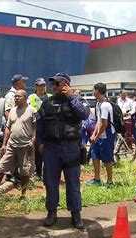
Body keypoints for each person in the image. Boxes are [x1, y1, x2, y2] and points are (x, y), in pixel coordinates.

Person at [37, 73, 90, 229]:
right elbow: (39, 124)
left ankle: (76, 214)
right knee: (51, 183)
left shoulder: (77, 100)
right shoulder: (47, 103)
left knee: (73, 183)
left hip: (71, 148)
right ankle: (51, 213)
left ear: (66, 85)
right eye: (53, 84)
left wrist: (72, 97)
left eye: (57, 84)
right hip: (51, 149)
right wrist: (39, 143)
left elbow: (84, 114)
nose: (54, 87)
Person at [0, 90, 37, 198]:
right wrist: (4, 144)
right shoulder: (12, 111)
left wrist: (32, 143)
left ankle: (23, 194)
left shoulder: (32, 111)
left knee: (25, 171)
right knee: (1, 167)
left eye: (19, 97)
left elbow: (37, 129)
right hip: (12, 145)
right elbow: (8, 128)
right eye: (15, 97)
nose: (16, 98)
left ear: (25, 97)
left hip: (25, 146)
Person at [86, 83, 116, 187]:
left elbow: (105, 124)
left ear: (97, 91)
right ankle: (97, 179)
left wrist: (97, 135)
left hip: (107, 136)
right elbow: (98, 122)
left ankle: (110, 181)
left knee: (107, 159)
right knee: (95, 156)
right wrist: (94, 134)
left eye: (94, 90)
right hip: (99, 135)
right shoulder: (98, 104)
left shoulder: (105, 105)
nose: (93, 92)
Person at [28, 78, 52, 180]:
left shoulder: (50, 97)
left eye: (44, 85)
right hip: (36, 128)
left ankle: (47, 172)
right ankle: (38, 173)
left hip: (49, 128)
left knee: (49, 151)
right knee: (38, 151)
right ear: (36, 87)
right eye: (40, 85)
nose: (42, 87)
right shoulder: (31, 97)